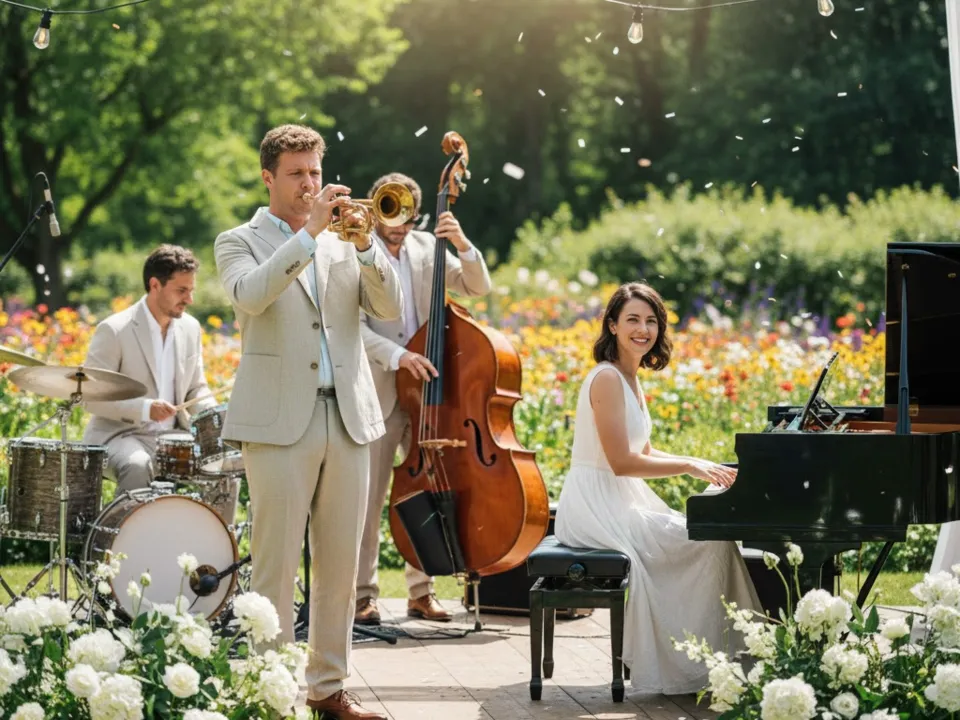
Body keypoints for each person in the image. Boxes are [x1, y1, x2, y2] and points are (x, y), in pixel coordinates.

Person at [214, 124, 401, 720]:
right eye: (297, 174)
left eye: (315, 173)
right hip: (277, 421)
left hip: (346, 415)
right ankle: (270, 693)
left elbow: (390, 308)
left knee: (340, 566)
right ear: (269, 177)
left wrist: (369, 247)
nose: (310, 184)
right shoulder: (237, 240)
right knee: (273, 563)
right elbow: (250, 296)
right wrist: (310, 234)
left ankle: (327, 690)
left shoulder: (348, 238)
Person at [554, 282, 761, 695]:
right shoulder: (608, 379)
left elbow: (643, 449)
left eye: (651, 321)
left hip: (620, 497)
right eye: (632, 319)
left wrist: (700, 467)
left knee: (711, 537)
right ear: (612, 325)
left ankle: (719, 657)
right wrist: (688, 464)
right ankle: (701, 663)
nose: (642, 329)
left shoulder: (631, 378)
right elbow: (622, 462)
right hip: (597, 505)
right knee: (707, 542)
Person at [356, 172, 493, 626]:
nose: (397, 226)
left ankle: (421, 590)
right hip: (378, 387)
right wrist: (397, 356)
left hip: (428, 394)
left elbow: (477, 288)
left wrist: (464, 245)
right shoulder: (354, 251)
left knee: (426, 490)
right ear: (375, 207)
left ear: (417, 214)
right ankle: (361, 595)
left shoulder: (425, 249)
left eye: (405, 216)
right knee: (370, 499)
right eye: (389, 212)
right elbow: (352, 328)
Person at [82, 245, 216, 492]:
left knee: (221, 464)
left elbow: (196, 388)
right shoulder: (114, 330)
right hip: (121, 436)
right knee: (138, 465)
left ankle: (218, 532)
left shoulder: (191, 328)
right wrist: (145, 409)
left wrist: (214, 417)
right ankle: (122, 531)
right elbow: (91, 398)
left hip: (174, 439)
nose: (190, 299)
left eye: (191, 290)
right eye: (182, 290)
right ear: (155, 285)